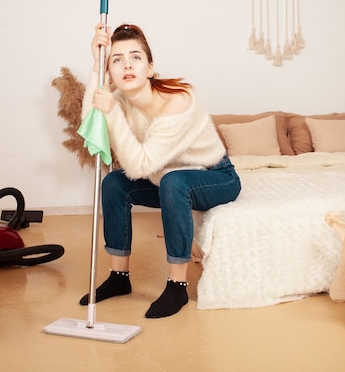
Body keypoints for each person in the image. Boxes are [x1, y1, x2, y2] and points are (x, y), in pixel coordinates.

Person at [79, 23, 241, 318]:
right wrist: (94, 69)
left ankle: (177, 285)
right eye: (116, 60)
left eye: (136, 57)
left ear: (150, 67)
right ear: (111, 73)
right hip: (165, 178)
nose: (127, 64)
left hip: (215, 176)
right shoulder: (121, 99)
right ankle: (119, 277)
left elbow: (140, 165)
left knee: (173, 181)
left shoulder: (178, 101)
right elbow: (90, 123)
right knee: (115, 183)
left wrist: (112, 112)